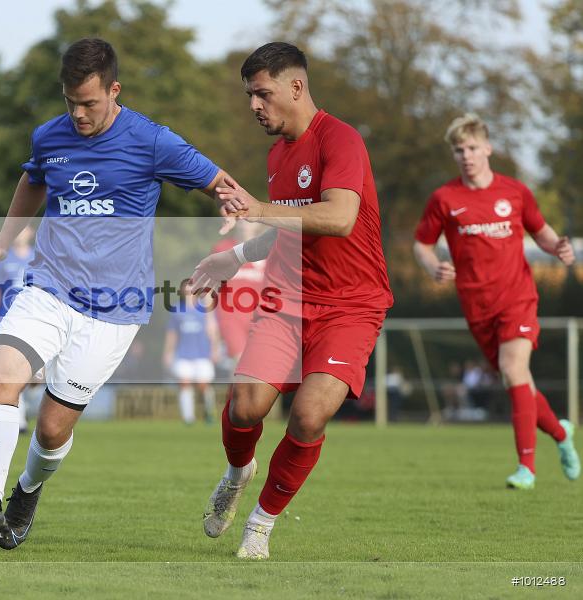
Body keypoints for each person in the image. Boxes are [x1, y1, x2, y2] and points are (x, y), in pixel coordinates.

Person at [0, 38, 238, 550]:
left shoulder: (153, 141)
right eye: (70, 102)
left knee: (50, 430)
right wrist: (2, 242)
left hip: (114, 313)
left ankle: (27, 490)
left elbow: (217, 179)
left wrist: (233, 204)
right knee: (1, 374)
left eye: (89, 103)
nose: (78, 114)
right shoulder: (49, 136)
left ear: (115, 90)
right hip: (48, 287)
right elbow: (33, 180)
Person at [189, 42, 393, 559]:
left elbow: (339, 217)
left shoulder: (341, 140)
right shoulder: (278, 153)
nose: (254, 106)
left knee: (307, 416)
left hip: (350, 306)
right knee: (246, 407)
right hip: (287, 300)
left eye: (262, 94)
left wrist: (259, 207)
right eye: (249, 96)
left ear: (295, 87)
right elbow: (289, 228)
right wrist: (235, 256)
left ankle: (260, 523)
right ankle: (238, 474)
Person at [413, 113, 580, 490]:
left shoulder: (515, 191)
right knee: (515, 378)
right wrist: (432, 267)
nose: (466, 155)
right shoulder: (445, 198)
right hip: (476, 306)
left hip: (518, 298)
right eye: (459, 150)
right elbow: (421, 244)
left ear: (487, 148)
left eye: (472, 148)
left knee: (513, 367)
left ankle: (527, 468)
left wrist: (558, 247)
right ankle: (561, 433)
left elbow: (541, 231)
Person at [0, 226, 36, 434]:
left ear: (31, 232)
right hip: (8, 321)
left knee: (38, 376)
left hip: (35, 321)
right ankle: (19, 419)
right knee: (12, 370)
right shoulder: (4, 259)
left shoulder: (40, 257)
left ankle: (27, 404)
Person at [210, 220, 268, 363]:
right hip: (230, 317)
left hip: (260, 319)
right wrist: (209, 319)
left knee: (258, 366)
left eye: (249, 220)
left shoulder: (267, 251)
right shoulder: (223, 249)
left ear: (258, 224)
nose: (244, 223)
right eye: (241, 219)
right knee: (240, 362)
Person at [163, 282, 220, 425]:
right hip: (183, 354)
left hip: (202, 353)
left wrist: (215, 349)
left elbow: (213, 331)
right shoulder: (177, 310)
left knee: (203, 385)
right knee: (184, 383)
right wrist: (168, 352)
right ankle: (188, 418)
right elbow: (172, 334)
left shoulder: (205, 310)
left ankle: (209, 413)